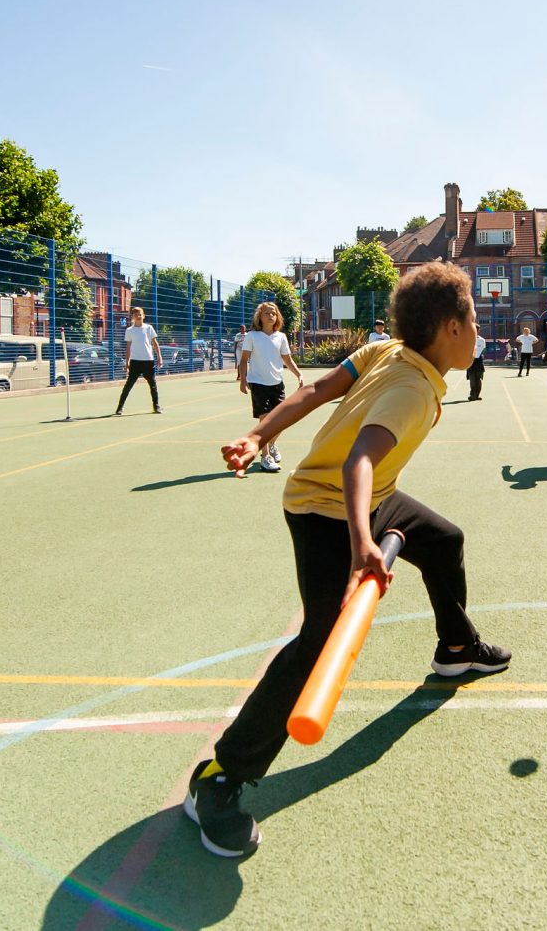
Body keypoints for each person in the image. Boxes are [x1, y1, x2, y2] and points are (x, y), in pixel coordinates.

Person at [187, 262, 512, 857]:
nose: (478, 327)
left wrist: (260, 436)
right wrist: (364, 544)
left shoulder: (386, 350)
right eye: (471, 318)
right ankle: (219, 778)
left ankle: (456, 648)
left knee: (444, 541)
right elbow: (357, 460)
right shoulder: (411, 388)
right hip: (326, 512)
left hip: (370, 501)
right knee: (317, 642)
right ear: (447, 328)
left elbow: (312, 390)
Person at [239, 302, 305, 471]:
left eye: (273, 313)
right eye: (267, 313)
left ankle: (272, 444)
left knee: (281, 421)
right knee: (265, 420)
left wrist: (298, 374)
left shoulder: (281, 337)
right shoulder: (252, 336)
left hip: (277, 383)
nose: (271, 316)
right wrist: (243, 380)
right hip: (258, 383)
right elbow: (244, 359)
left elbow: (287, 360)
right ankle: (265, 457)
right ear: (259, 317)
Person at [115, 307, 162, 415]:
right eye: (136, 314)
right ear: (133, 317)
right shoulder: (130, 330)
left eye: (140, 314)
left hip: (148, 361)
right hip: (135, 362)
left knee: (153, 385)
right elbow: (128, 347)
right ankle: (120, 407)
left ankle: (156, 406)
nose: (138, 316)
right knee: (128, 385)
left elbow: (155, 343)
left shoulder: (149, 328)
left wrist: (159, 357)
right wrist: (127, 362)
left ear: (143, 315)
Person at [467, 331, 486, 400]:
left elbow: (483, 350)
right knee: (472, 379)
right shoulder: (468, 339)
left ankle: (477, 395)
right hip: (470, 360)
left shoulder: (482, 340)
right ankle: (472, 395)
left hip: (479, 361)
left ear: (477, 331)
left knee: (478, 379)